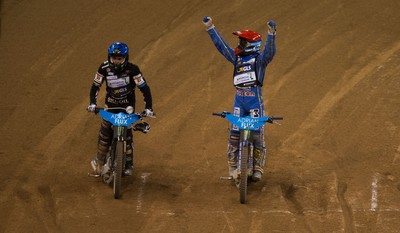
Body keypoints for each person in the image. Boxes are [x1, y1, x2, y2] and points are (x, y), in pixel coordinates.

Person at [202, 16, 276, 181]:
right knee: (234, 135)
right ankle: (233, 166)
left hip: (255, 103)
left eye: (243, 42)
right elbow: (222, 47)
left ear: (251, 45)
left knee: (257, 134)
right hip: (239, 103)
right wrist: (210, 28)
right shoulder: (237, 59)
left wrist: (271, 35)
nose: (239, 45)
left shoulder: (259, 60)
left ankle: (258, 168)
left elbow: (270, 53)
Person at [87, 41, 154, 176]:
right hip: (110, 105)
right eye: (114, 58)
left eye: (119, 59)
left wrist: (149, 108)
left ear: (125, 58)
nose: (117, 61)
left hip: (127, 106)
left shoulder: (133, 69)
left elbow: (144, 88)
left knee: (128, 133)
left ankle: (129, 163)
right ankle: (99, 162)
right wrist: (92, 103)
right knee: (105, 133)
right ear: (109, 57)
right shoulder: (103, 68)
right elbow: (96, 86)